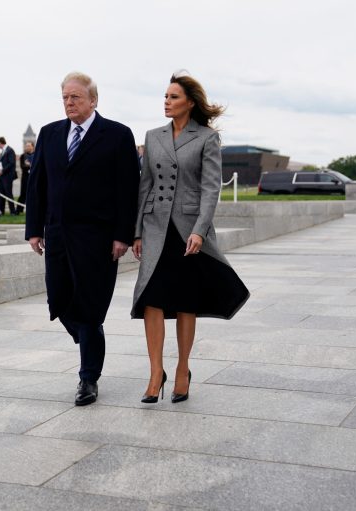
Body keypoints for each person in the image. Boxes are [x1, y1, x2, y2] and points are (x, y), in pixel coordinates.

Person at [131, 72, 249, 403]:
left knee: (185, 301)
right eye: (165, 97)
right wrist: (137, 231)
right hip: (155, 227)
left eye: (173, 97)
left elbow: (212, 188)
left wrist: (200, 229)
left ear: (190, 103)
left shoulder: (207, 138)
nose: (166, 102)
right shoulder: (153, 136)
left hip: (186, 231)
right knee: (151, 299)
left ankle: (182, 369)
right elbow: (145, 184)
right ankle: (156, 372)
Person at [25, 71, 139, 406]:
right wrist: (34, 229)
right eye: (65, 97)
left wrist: (123, 235)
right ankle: (91, 337)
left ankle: (88, 378)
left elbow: (127, 190)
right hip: (57, 234)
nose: (69, 103)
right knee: (58, 301)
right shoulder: (49, 134)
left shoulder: (117, 135)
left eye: (75, 97)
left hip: (99, 238)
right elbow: (37, 185)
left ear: (93, 100)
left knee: (89, 308)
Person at [0, 136, 17, 215]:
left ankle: (12, 211)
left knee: (8, 194)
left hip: (7, 176)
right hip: (2, 176)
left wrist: (2, 170)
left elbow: (11, 163)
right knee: (1, 194)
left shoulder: (10, 150)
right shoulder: (3, 151)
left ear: (0, 143)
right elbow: (2, 163)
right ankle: (1, 211)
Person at [16, 141, 34, 214]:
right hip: (25, 177)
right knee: (23, 193)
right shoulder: (23, 156)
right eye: (26, 146)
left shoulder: (36, 154)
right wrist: (30, 165)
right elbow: (22, 166)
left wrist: (29, 164)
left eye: (29, 146)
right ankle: (19, 210)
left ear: (32, 146)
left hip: (33, 177)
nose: (27, 147)